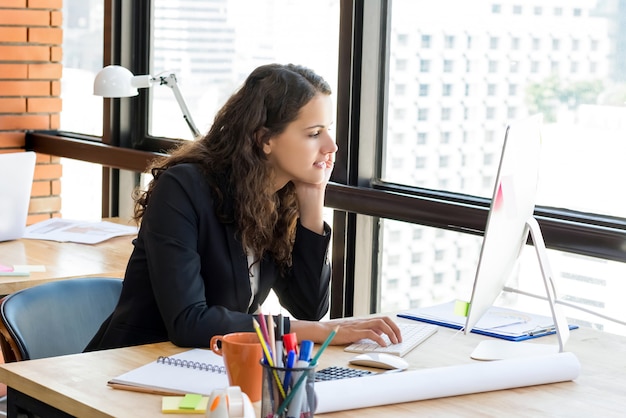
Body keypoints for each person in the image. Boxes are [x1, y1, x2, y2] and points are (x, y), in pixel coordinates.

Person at [85, 63, 401, 352]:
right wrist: (316, 331)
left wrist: (313, 200)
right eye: (314, 133)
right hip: (133, 364)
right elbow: (188, 323)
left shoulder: (276, 196)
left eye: (328, 130)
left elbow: (309, 307)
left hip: (212, 368)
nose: (331, 145)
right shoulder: (183, 188)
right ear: (265, 139)